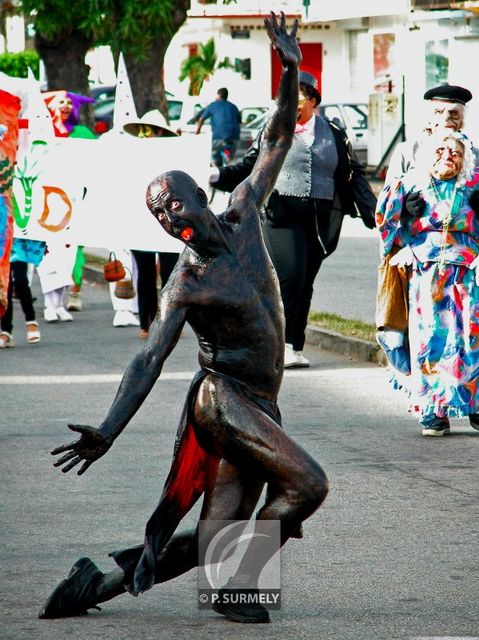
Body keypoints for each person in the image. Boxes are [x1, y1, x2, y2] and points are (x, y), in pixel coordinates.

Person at [38, 13, 328, 625]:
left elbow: (276, 139)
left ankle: (95, 585)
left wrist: (291, 69)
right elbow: (149, 358)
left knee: (208, 540)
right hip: (223, 401)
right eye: (158, 216)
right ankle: (240, 582)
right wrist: (109, 430)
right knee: (306, 484)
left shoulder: (246, 210)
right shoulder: (187, 283)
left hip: (258, 401)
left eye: (172, 203)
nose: (168, 217)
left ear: (199, 194)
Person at [211, 71, 376, 368]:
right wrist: (218, 175)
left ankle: (294, 344)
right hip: (280, 214)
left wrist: (374, 210)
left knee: (306, 282)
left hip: (319, 217)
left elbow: (353, 174)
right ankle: (280, 345)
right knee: (291, 276)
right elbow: (250, 166)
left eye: (297, 100)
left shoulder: (334, 133)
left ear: (312, 101)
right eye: (284, 100)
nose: (290, 106)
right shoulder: (274, 130)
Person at [376, 129, 479, 436]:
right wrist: (403, 218)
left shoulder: (474, 184)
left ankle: (473, 404)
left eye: (456, 153)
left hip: (467, 270)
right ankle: (433, 411)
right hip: (425, 272)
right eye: (440, 150)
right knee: (430, 339)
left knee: (469, 336)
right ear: (427, 153)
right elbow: (384, 219)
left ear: (465, 161)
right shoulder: (410, 182)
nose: (448, 156)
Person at [376, 84, 476, 372]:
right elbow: (387, 203)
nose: (446, 118)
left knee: (466, 327)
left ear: (463, 118)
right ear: (428, 115)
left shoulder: (472, 152)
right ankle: (427, 396)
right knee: (422, 326)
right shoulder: (409, 150)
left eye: (454, 113)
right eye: (439, 111)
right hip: (416, 254)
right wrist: (404, 209)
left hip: (464, 259)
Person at [123, 110, 181, 337]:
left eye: (151, 131)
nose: (147, 135)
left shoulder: (173, 157)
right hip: (140, 221)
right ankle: (146, 323)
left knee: (170, 272)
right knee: (145, 272)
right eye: (143, 131)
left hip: (168, 220)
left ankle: (170, 321)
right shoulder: (131, 157)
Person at [40, 90, 96, 319]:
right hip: (47, 200)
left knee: (71, 250)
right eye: (59, 102)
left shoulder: (82, 133)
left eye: (68, 103)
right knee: (48, 251)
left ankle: (65, 298)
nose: (64, 106)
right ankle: (48, 304)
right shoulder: (42, 133)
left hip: (75, 200)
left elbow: (100, 158)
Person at [0, 238, 44, 347]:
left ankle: (31, 322)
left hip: (18, 240)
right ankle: (6, 332)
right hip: (2, 239)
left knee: (21, 281)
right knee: (5, 286)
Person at [195, 87, 241, 167]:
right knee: (227, 156)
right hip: (233, 137)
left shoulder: (213, 105)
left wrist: (197, 133)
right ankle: (227, 159)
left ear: (218, 95)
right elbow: (239, 122)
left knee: (215, 158)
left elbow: (201, 119)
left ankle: (216, 167)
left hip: (218, 136)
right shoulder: (234, 107)